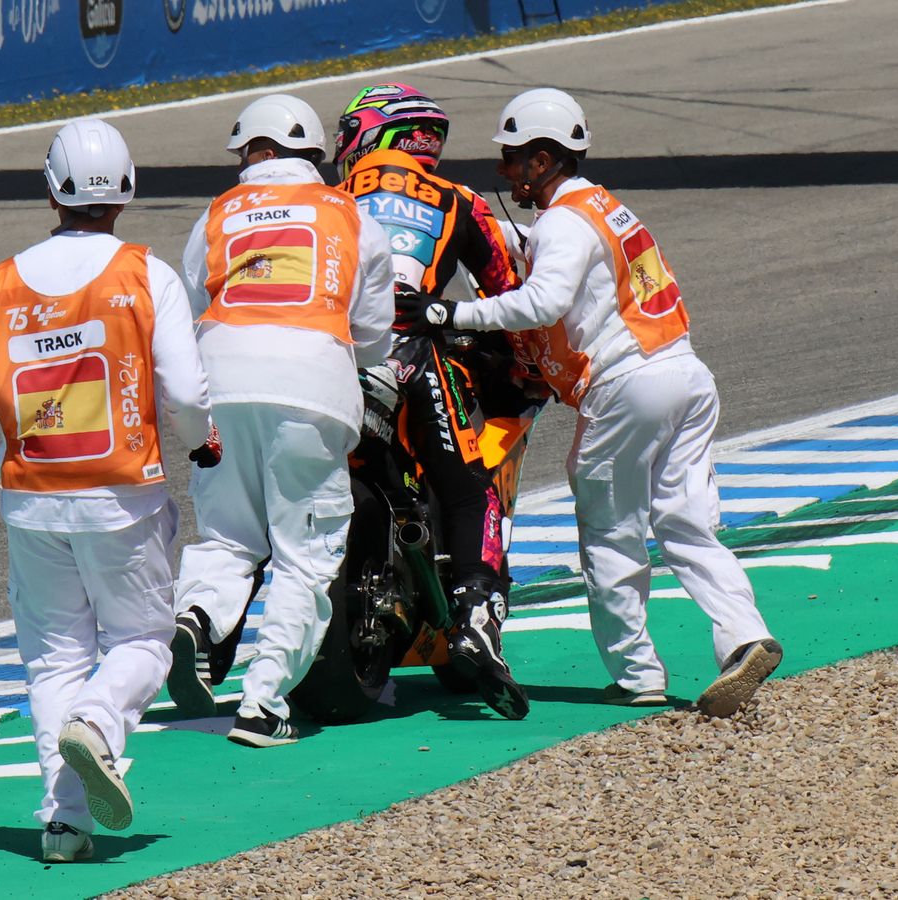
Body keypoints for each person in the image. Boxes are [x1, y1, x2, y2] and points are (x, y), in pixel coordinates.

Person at [396, 88, 781, 717]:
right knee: (686, 524)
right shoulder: (604, 207)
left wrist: (450, 310)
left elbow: (544, 301)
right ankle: (743, 637)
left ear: (544, 159)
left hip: (628, 384)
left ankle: (637, 677)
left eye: (514, 158)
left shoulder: (564, 221)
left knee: (609, 531)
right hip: (685, 373)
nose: (504, 171)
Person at [0, 118, 221, 862]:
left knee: (53, 659)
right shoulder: (144, 273)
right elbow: (184, 389)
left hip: (30, 501)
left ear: (50, 189)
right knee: (144, 644)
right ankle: (98, 721)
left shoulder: (4, 282)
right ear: (125, 190)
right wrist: (203, 441)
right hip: (123, 496)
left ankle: (64, 824)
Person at [166, 93, 396, 747]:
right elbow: (375, 337)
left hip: (219, 382)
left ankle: (196, 618)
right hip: (309, 389)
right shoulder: (349, 215)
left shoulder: (218, 212)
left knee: (229, 539)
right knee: (304, 557)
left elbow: (188, 305)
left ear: (251, 152)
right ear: (314, 155)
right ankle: (263, 706)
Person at [331, 82, 547, 720]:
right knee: (468, 486)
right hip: (414, 351)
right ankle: (479, 612)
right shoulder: (462, 201)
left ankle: (217, 622)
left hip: (324, 356)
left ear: (369, 134)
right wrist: (524, 366)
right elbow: (508, 294)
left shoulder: (324, 201)